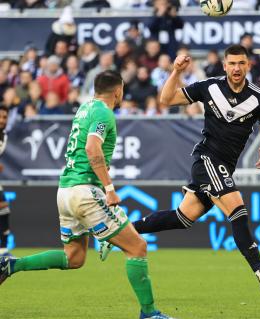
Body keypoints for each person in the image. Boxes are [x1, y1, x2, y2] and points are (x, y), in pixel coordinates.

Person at [101, 45, 260, 296]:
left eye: (241, 63)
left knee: (183, 217)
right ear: (224, 65)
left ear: (248, 66)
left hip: (224, 168)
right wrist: (176, 72)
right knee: (238, 210)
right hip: (207, 160)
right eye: (231, 63)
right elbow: (166, 100)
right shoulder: (209, 87)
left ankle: (114, 233)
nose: (236, 68)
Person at [0, 70, 172, 319]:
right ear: (118, 91)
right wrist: (110, 189)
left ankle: (12, 265)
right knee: (137, 247)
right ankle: (149, 313)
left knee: (74, 258)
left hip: (66, 191)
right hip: (85, 191)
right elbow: (92, 149)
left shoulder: (84, 108)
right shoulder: (104, 112)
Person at [0, 106, 11, 257]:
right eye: (0, 117)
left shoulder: (4, 136)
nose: (2, 120)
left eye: (5, 117)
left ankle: (3, 250)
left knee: (4, 208)